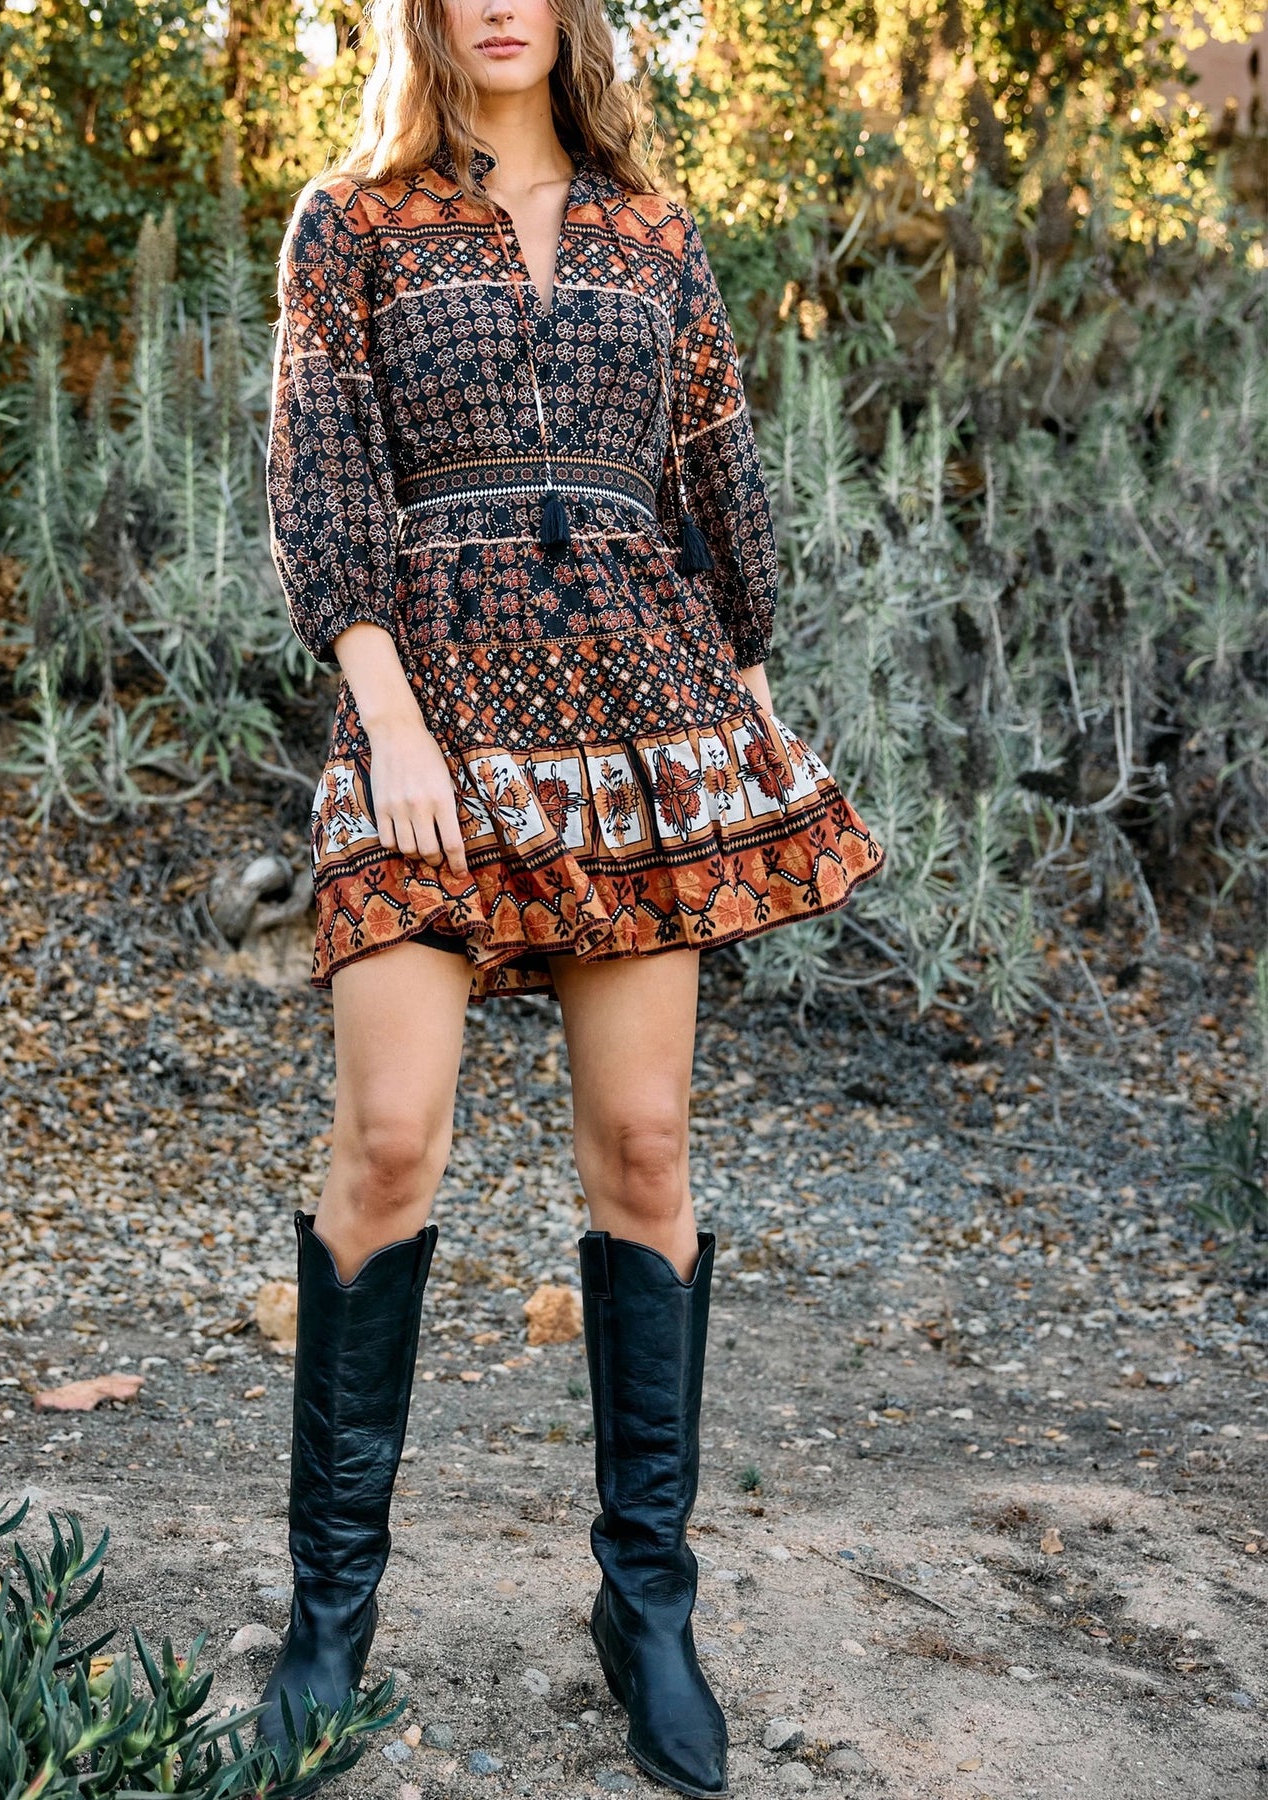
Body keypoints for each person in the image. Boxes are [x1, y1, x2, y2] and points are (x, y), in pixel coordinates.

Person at [259, 0, 884, 1790]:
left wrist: (746, 691)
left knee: (646, 1148)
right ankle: (329, 1620)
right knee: (390, 1140)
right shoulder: (350, 222)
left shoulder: (654, 230)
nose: (501, 5)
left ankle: (647, 1608)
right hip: (427, 714)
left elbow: (718, 472)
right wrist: (387, 718)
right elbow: (319, 475)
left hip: (636, 707)